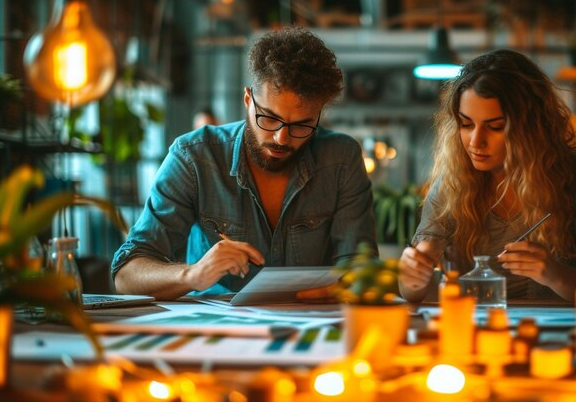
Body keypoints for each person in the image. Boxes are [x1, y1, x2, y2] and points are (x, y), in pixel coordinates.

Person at [112, 27, 377, 300]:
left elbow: (361, 268)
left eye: (301, 125)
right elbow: (125, 274)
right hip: (215, 329)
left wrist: (344, 284)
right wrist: (193, 274)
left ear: (317, 116)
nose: (281, 138)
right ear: (248, 99)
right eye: (269, 118)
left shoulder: (341, 159)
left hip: (311, 324)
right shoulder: (194, 157)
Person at [398, 49, 576, 303]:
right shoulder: (454, 181)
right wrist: (413, 273)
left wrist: (554, 274)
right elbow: (411, 291)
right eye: (466, 124)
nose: (476, 141)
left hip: (555, 338)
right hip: (477, 333)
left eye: (495, 127)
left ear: (530, 127)